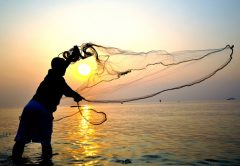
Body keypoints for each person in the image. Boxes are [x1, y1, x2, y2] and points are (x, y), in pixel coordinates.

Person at [12, 51, 84, 161]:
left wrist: (69, 59)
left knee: (21, 140)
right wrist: (76, 96)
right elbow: (68, 91)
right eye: (63, 67)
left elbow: (62, 67)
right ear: (59, 68)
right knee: (45, 143)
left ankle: (14, 160)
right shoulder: (59, 79)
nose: (65, 69)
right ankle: (46, 161)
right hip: (43, 110)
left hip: (30, 107)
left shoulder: (50, 75)